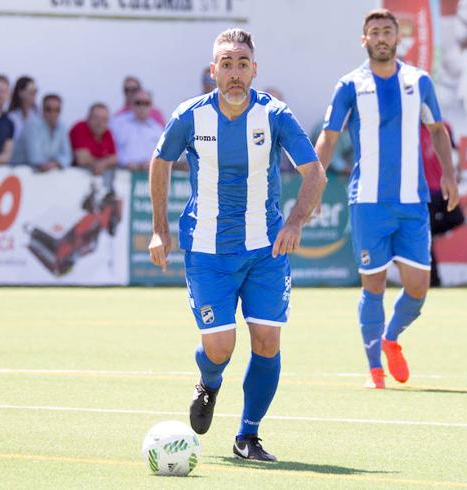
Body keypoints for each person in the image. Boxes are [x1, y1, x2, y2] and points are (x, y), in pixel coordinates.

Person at [148, 28, 326, 461]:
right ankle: (208, 383)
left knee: (267, 341)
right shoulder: (190, 116)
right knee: (219, 348)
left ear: (254, 70)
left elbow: (314, 172)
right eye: (225, 64)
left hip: (266, 249)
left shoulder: (275, 115)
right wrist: (160, 229)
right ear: (213, 71)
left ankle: (248, 436)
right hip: (208, 250)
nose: (234, 73)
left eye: (242, 64)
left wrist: (295, 222)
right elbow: (160, 161)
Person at [315, 9, 459, 389]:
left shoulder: (419, 80)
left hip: (412, 204)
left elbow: (438, 131)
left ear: (398, 38)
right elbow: (329, 138)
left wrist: (448, 173)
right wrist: (313, 184)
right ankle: (374, 369)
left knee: (418, 287)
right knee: (373, 286)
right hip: (369, 203)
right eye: (374, 32)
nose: (381, 37)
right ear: (364, 40)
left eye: (387, 31)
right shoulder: (350, 85)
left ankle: (391, 338)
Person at [421, 122, 464, 286]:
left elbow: (454, 151)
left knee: (457, 218)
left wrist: (456, 172)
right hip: (425, 191)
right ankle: (434, 280)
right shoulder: (411, 126)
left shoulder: (444, 126)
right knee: (426, 238)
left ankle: (430, 231)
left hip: (442, 186)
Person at [12, 94, 71, 171]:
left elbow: (67, 156)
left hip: (42, 175)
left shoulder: (62, 127)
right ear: (42, 109)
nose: (53, 113)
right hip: (19, 174)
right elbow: (34, 158)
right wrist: (55, 163)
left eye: (57, 110)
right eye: (48, 109)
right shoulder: (32, 125)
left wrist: (56, 163)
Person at [110, 89, 163, 172]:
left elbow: (163, 154)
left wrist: (153, 162)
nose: (142, 107)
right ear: (131, 104)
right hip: (122, 174)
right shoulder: (117, 124)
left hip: (148, 175)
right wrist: (126, 162)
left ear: (151, 105)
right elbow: (111, 149)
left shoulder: (157, 129)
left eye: (146, 103)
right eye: (138, 103)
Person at [69, 103, 117, 176]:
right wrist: (101, 163)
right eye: (96, 118)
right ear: (88, 118)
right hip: (73, 178)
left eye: (104, 119)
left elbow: (114, 158)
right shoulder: (79, 128)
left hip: (95, 178)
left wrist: (102, 164)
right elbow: (81, 158)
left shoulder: (107, 132)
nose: (100, 123)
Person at [8, 76, 39, 142]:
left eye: (35, 91)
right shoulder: (11, 117)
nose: (34, 94)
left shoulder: (38, 115)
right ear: (20, 93)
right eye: (31, 92)